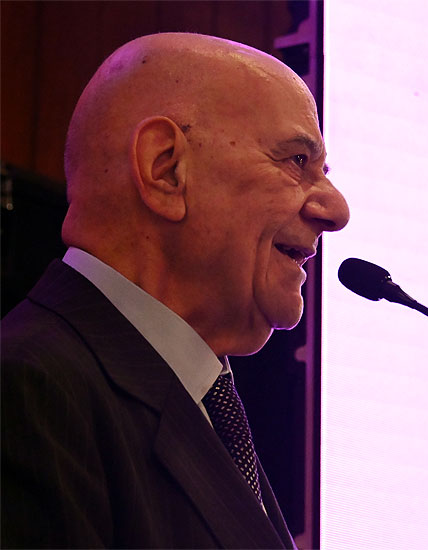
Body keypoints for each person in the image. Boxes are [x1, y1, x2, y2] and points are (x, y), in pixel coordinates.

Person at [1, 32, 349, 549]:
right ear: (165, 169)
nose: (336, 211)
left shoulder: (201, 401)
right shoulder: (27, 394)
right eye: (297, 161)